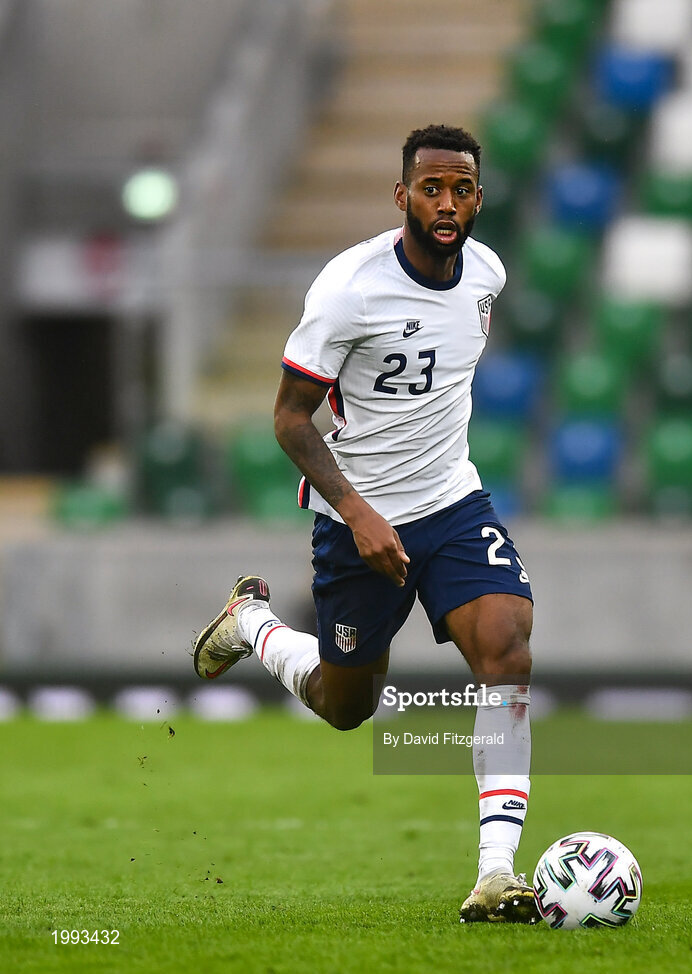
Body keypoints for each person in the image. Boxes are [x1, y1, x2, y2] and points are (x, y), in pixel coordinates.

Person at [192, 124, 536, 923]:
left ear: (478, 198)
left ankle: (495, 871)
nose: (445, 204)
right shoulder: (349, 288)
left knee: (507, 647)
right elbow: (288, 419)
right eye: (430, 188)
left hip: (452, 503)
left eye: (460, 189)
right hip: (359, 523)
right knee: (347, 706)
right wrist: (356, 511)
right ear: (401, 196)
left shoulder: (487, 274)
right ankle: (253, 624)